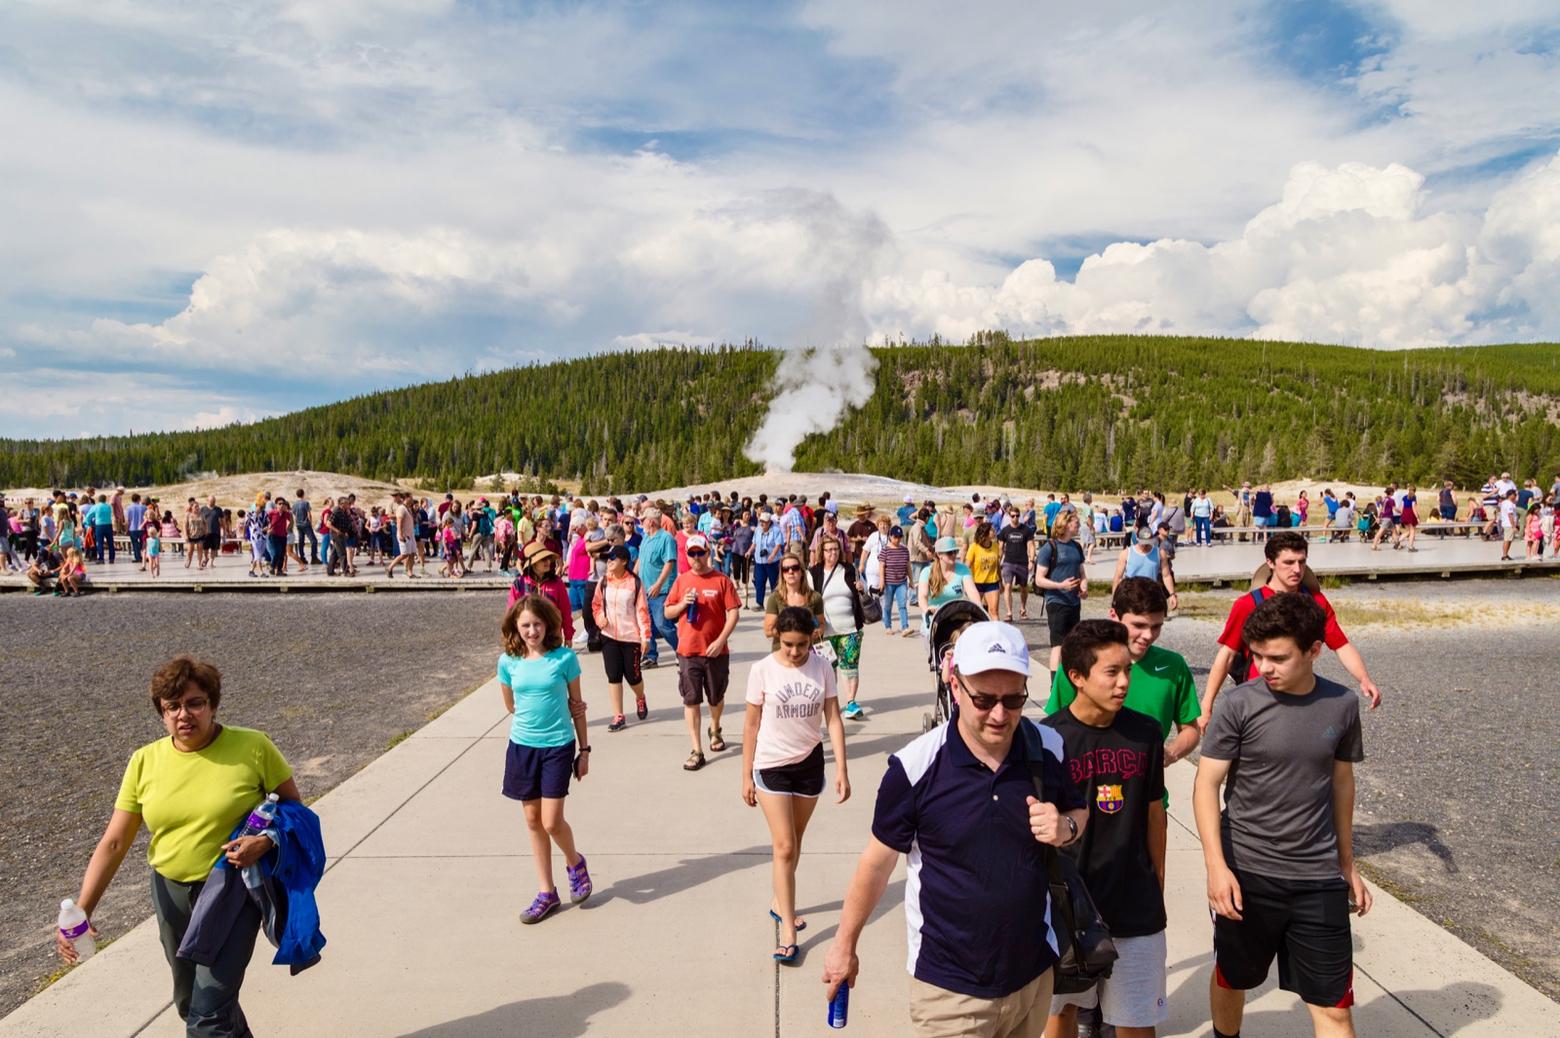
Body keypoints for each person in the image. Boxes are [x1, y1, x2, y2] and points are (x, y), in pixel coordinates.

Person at [821, 621, 1089, 1037]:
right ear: (955, 685)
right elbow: (876, 864)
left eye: (1014, 698)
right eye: (983, 699)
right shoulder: (914, 768)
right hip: (949, 991)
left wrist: (1065, 827)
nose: (1000, 714)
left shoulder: (1049, 747)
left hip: (1032, 978)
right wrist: (844, 945)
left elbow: (1079, 811)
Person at [59, 656, 302, 1035]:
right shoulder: (144, 761)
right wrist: (82, 910)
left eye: (195, 703)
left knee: (209, 1011)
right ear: (161, 712)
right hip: (169, 893)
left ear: (213, 705)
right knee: (192, 1002)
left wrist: (265, 841)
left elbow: (294, 809)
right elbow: (115, 841)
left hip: (231, 892)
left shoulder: (253, 747)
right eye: (172, 706)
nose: (183, 714)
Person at [1194, 593, 1371, 1038]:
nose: (1264, 667)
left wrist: (1347, 864)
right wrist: (1217, 868)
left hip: (1318, 877)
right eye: (1256, 656)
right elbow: (1206, 785)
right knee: (1234, 978)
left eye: (1277, 657)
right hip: (1247, 873)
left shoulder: (1342, 704)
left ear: (1314, 650)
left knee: (1333, 1005)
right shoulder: (1239, 704)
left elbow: (1342, 783)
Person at [1044, 620, 1168, 1038]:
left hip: (1135, 903)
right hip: (1069, 906)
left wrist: (1159, 881)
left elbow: (1155, 813)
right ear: (1076, 677)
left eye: (1127, 670)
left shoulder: (1145, 733)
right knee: (1060, 1014)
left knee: (1135, 1020)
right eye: (1111, 672)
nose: (1124, 682)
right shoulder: (1048, 739)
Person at [1047, 577, 1199, 870]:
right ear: (1114, 615)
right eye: (1139, 625)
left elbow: (1191, 728)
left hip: (1144, 800)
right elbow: (1057, 726)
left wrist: (1168, 754)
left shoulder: (1174, 666)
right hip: (1086, 801)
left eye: (1156, 626)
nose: (1148, 635)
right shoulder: (1085, 663)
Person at [741, 606, 850, 964]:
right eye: (788, 644)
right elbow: (751, 726)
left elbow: (833, 719)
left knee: (796, 842)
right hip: (771, 766)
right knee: (784, 846)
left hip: (809, 763)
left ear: (812, 638)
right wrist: (746, 775)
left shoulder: (822, 667)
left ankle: (779, 900)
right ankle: (788, 929)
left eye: (801, 644)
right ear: (777, 639)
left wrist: (842, 770)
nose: (794, 652)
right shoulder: (762, 671)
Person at [1200, 531, 1382, 729]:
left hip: (1302, 697)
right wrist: (1207, 705)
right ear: (1270, 562)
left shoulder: (1317, 602)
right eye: (1288, 562)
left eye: (1301, 562)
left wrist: (1364, 679)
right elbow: (1226, 654)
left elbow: (1341, 645)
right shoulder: (1247, 604)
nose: (1297, 569)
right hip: (1258, 697)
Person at [499, 595, 593, 924]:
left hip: (558, 746)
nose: (532, 630)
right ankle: (546, 892)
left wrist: (584, 750)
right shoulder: (508, 662)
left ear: (548, 624)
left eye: (537, 624)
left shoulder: (564, 658)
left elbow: (577, 707)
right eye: (525, 625)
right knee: (532, 822)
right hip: (522, 747)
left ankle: (575, 863)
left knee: (552, 821)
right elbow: (511, 705)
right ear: (515, 627)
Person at [665, 534, 741, 771]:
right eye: (692, 554)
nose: (696, 558)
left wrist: (721, 640)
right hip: (688, 651)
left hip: (716, 651)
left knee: (716, 697)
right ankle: (697, 749)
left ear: (708, 553)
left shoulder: (722, 580)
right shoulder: (681, 581)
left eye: (700, 553)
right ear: (686, 556)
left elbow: (733, 613)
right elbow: (668, 612)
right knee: (691, 699)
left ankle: (715, 728)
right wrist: (681, 605)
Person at [592, 545, 651, 732]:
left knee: (633, 677)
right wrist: (600, 618)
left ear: (624, 561)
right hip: (609, 636)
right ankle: (618, 715)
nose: (609, 561)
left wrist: (645, 637)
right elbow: (596, 605)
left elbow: (642, 611)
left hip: (630, 637)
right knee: (613, 676)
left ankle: (640, 697)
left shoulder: (635, 583)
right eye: (608, 558)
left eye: (613, 558)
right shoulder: (603, 582)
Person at [811, 535, 868, 720]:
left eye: (836, 549)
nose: (833, 553)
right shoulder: (814, 573)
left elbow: (861, 592)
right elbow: (810, 599)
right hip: (824, 632)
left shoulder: (849, 570)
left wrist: (862, 587)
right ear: (822, 552)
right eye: (829, 550)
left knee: (850, 666)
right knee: (827, 669)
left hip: (850, 628)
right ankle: (830, 701)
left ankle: (851, 702)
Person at [1034, 511, 1087, 675]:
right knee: (1058, 645)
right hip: (1056, 602)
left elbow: (1082, 572)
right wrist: (1060, 585)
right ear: (1065, 524)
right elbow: (1039, 579)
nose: (1079, 525)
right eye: (1076, 523)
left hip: (1074, 602)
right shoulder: (1049, 547)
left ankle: (1068, 681)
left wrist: (1084, 587)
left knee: (1072, 644)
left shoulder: (1076, 546)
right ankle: (1054, 685)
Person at [636, 508, 680, 668]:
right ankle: (650, 655)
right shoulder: (646, 538)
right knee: (645, 624)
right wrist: (632, 579)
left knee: (662, 623)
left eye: (643, 520)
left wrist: (659, 584)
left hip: (660, 590)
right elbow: (640, 560)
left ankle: (681, 649)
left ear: (651, 521)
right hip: (644, 589)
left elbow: (670, 562)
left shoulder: (666, 538)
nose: (641, 523)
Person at [918, 535, 980, 633]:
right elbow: (922, 596)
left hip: (955, 615)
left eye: (955, 552)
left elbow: (972, 592)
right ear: (939, 555)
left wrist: (979, 609)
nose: (954, 555)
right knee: (932, 632)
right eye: (949, 553)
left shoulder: (963, 570)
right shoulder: (927, 572)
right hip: (934, 616)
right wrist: (927, 610)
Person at [1112, 521, 1178, 611]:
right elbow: (1118, 577)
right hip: (1131, 594)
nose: (1145, 545)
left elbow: (1166, 575)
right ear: (1137, 539)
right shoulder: (1126, 553)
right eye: (1142, 542)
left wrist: (1172, 594)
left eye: (1147, 542)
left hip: (1151, 594)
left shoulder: (1160, 553)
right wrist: (1115, 598)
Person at [763, 553, 824, 649]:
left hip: (809, 653)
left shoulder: (815, 597)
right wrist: (795, 636)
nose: (790, 571)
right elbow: (768, 631)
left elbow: (821, 625)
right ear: (782, 574)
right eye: (786, 569)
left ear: (802, 571)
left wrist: (818, 631)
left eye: (795, 568)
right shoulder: (775, 598)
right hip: (782, 654)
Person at [996, 504, 1036, 621]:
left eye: (1017, 516)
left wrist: (1031, 560)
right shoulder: (1005, 531)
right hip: (1008, 562)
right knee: (1007, 586)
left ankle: (1023, 609)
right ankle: (1009, 612)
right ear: (1009, 516)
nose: (1015, 518)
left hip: (1022, 562)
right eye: (1013, 516)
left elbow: (1031, 545)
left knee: (1024, 587)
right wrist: (998, 560)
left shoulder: (1026, 530)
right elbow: (1000, 548)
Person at [879, 525, 914, 636]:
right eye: (895, 537)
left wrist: (911, 580)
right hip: (889, 583)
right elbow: (881, 566)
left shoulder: (904, 550)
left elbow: (908, 566)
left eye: (900, 537)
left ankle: (905, 628)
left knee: (902, 605)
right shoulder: (885, 550)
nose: (898, 539)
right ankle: (888, 627)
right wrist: (882, 581)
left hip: (902, 582)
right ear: (890, 536)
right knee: (888, 605)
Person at [964, 520, 1002, 615]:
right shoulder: (974, 547)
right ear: (985, 533)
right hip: (977, 583)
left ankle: (995, 629)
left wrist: (1001, 581)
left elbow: (997, 565)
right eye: (992, 530)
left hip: (992, 583)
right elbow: (966, 566)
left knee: (994, 611)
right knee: (974, 611)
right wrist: (966, 584)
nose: (994, 532)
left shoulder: (995, 546)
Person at [752, 511, 785, 609]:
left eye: (764, 521)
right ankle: (759, 603)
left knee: (774, 583)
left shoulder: (776, 530)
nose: (762, 523)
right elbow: (754, 542)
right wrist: (749, 551)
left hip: (772, 561)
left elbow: (778, 544)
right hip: (759, 561)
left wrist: (772, 555)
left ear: (769, 522)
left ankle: (776, 604)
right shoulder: (758, 529)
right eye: (761, 521)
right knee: (759, 582)